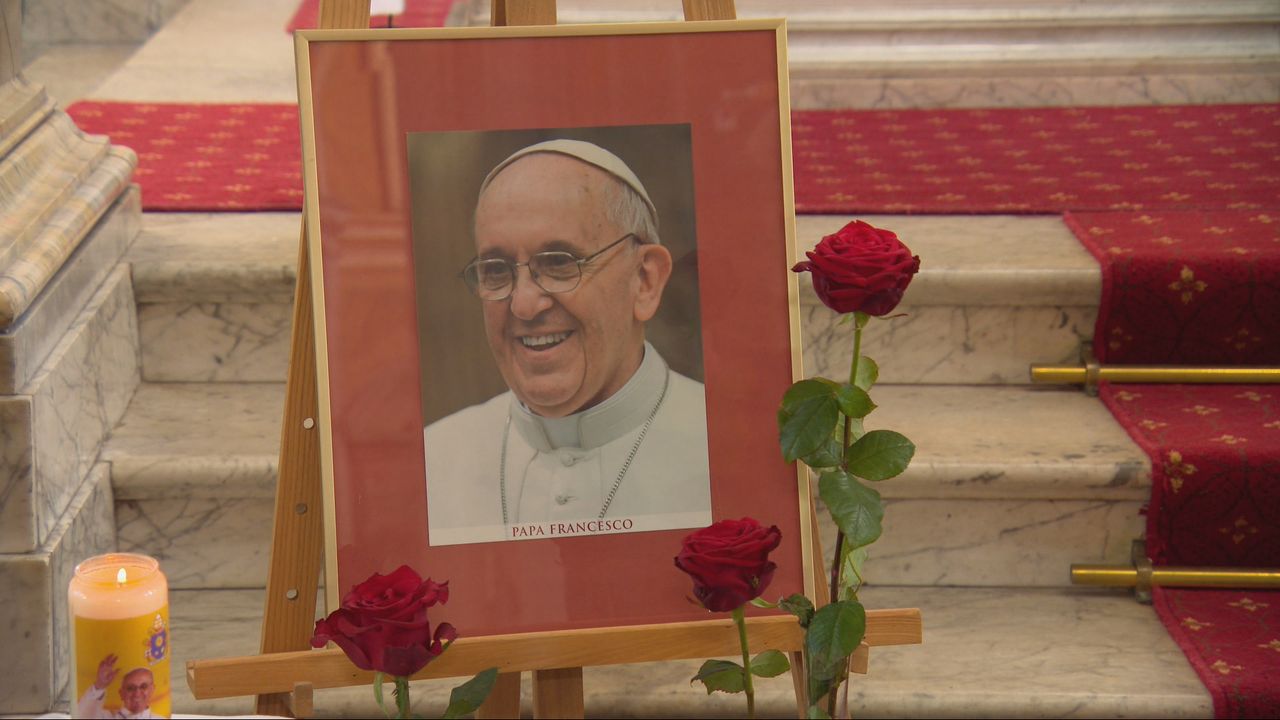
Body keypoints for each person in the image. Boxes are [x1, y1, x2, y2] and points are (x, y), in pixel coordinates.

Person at [424, 139, 711, 546]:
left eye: (559, 263)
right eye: (496, 270)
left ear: (645, 280)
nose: (523, 304)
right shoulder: (431, 462)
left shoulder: (726, 447)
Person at [76, 655, 160, 719]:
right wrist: (100, 685)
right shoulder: (106, 717)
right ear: (121, 693)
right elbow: (80, 716)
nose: (137, 693)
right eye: (130, 688)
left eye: (143, 687)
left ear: (152, 689)